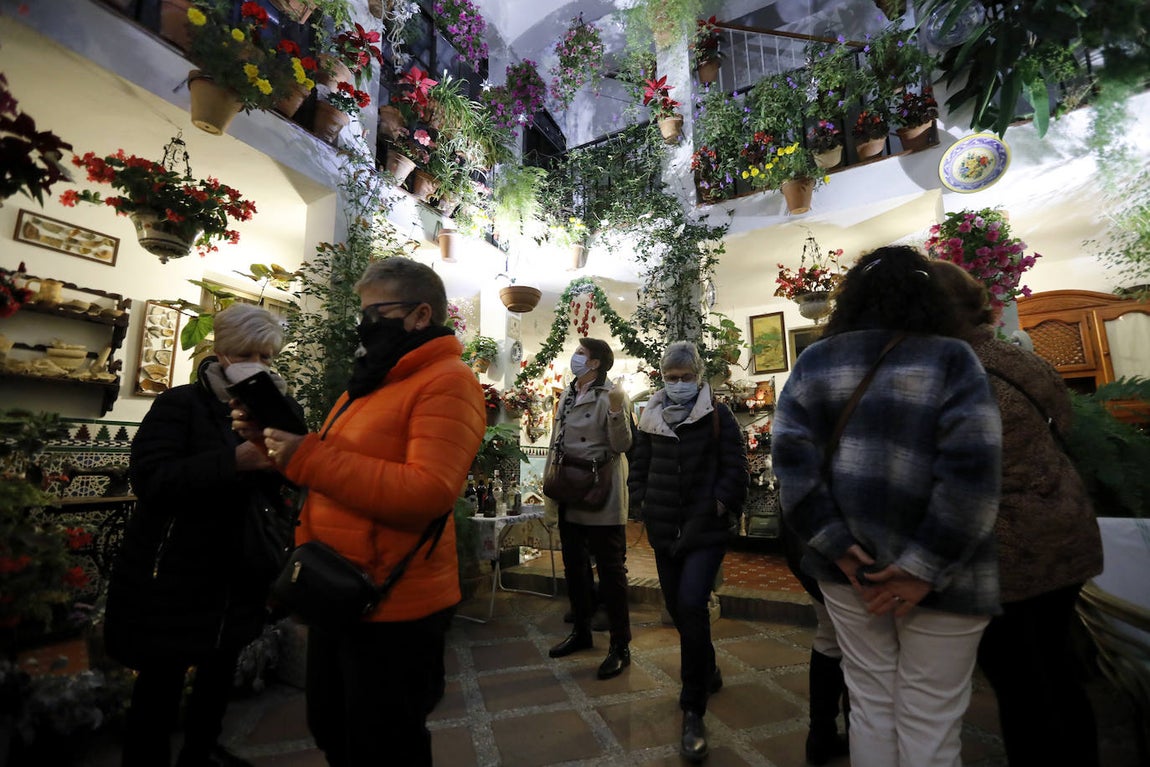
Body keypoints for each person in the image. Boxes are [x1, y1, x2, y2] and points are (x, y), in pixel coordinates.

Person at [771, 245, 1003, 767]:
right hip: (949, 576)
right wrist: (921, 568)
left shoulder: (814, 362)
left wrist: (844, 553)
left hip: (850, 575)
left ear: (851, 298)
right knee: (932, 720)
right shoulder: (951, 357)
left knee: (870, 707)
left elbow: (792, 470)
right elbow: (974, 475)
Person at [252, 258, 485, 766]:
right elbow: (331, 470)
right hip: (337, 589)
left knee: (383, 744)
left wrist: (309, 457)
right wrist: (275, 445)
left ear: (421, 315)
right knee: (334, 729)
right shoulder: (373, 382)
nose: (364, 324)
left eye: (375, 312)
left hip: (394, 600)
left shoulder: (447, 382)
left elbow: (427, 492)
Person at [105, 304, 300, 767]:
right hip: (176, 566)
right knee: (161, 677)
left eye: (267, 357)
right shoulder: (180, 405)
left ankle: (200, 752)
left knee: (220, 669)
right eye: (246, 353)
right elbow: (152, 480)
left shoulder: (280, 408)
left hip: (243, 562)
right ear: (220, 352)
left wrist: (287, 464)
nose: (258, 365)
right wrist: (236, 461)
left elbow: (286, 483)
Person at [930, 259, 1103, 767]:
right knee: (1058, 669)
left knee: (1021, 684)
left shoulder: (959, 373)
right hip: (1066, 530)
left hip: (1009, 548)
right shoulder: (1023, 359)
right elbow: (1065, 424)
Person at [627, 341, 747, 762]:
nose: (678, 385)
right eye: (671, 377)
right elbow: (639, 465)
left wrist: (720, 501)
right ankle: (708, 668)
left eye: (685, 377)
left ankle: (692, 705)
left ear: (699, 377)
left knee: (692, 604)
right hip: (664, 530)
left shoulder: (718, 415)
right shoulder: (650, 416)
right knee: (680, 611)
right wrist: (640, 499)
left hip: (705, 529)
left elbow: (737, 466)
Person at [544, 338, 634, 680]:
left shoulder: (611, 394)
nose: (576, 358)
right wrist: (549, 489)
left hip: (601, 490)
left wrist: (614, 410)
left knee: (611, 572)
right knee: (575, 567)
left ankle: (620, 646)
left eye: (581, 354)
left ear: (595, 363)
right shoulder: (568, 393)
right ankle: (581, 631)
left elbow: (623, 444)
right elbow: (556, 443)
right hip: (569, 488)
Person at [779, 520, 851, 766]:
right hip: (837, 556)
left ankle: (821, 738)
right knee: (859, 648)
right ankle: (852, 736)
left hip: (807, 547)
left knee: (831, 635)